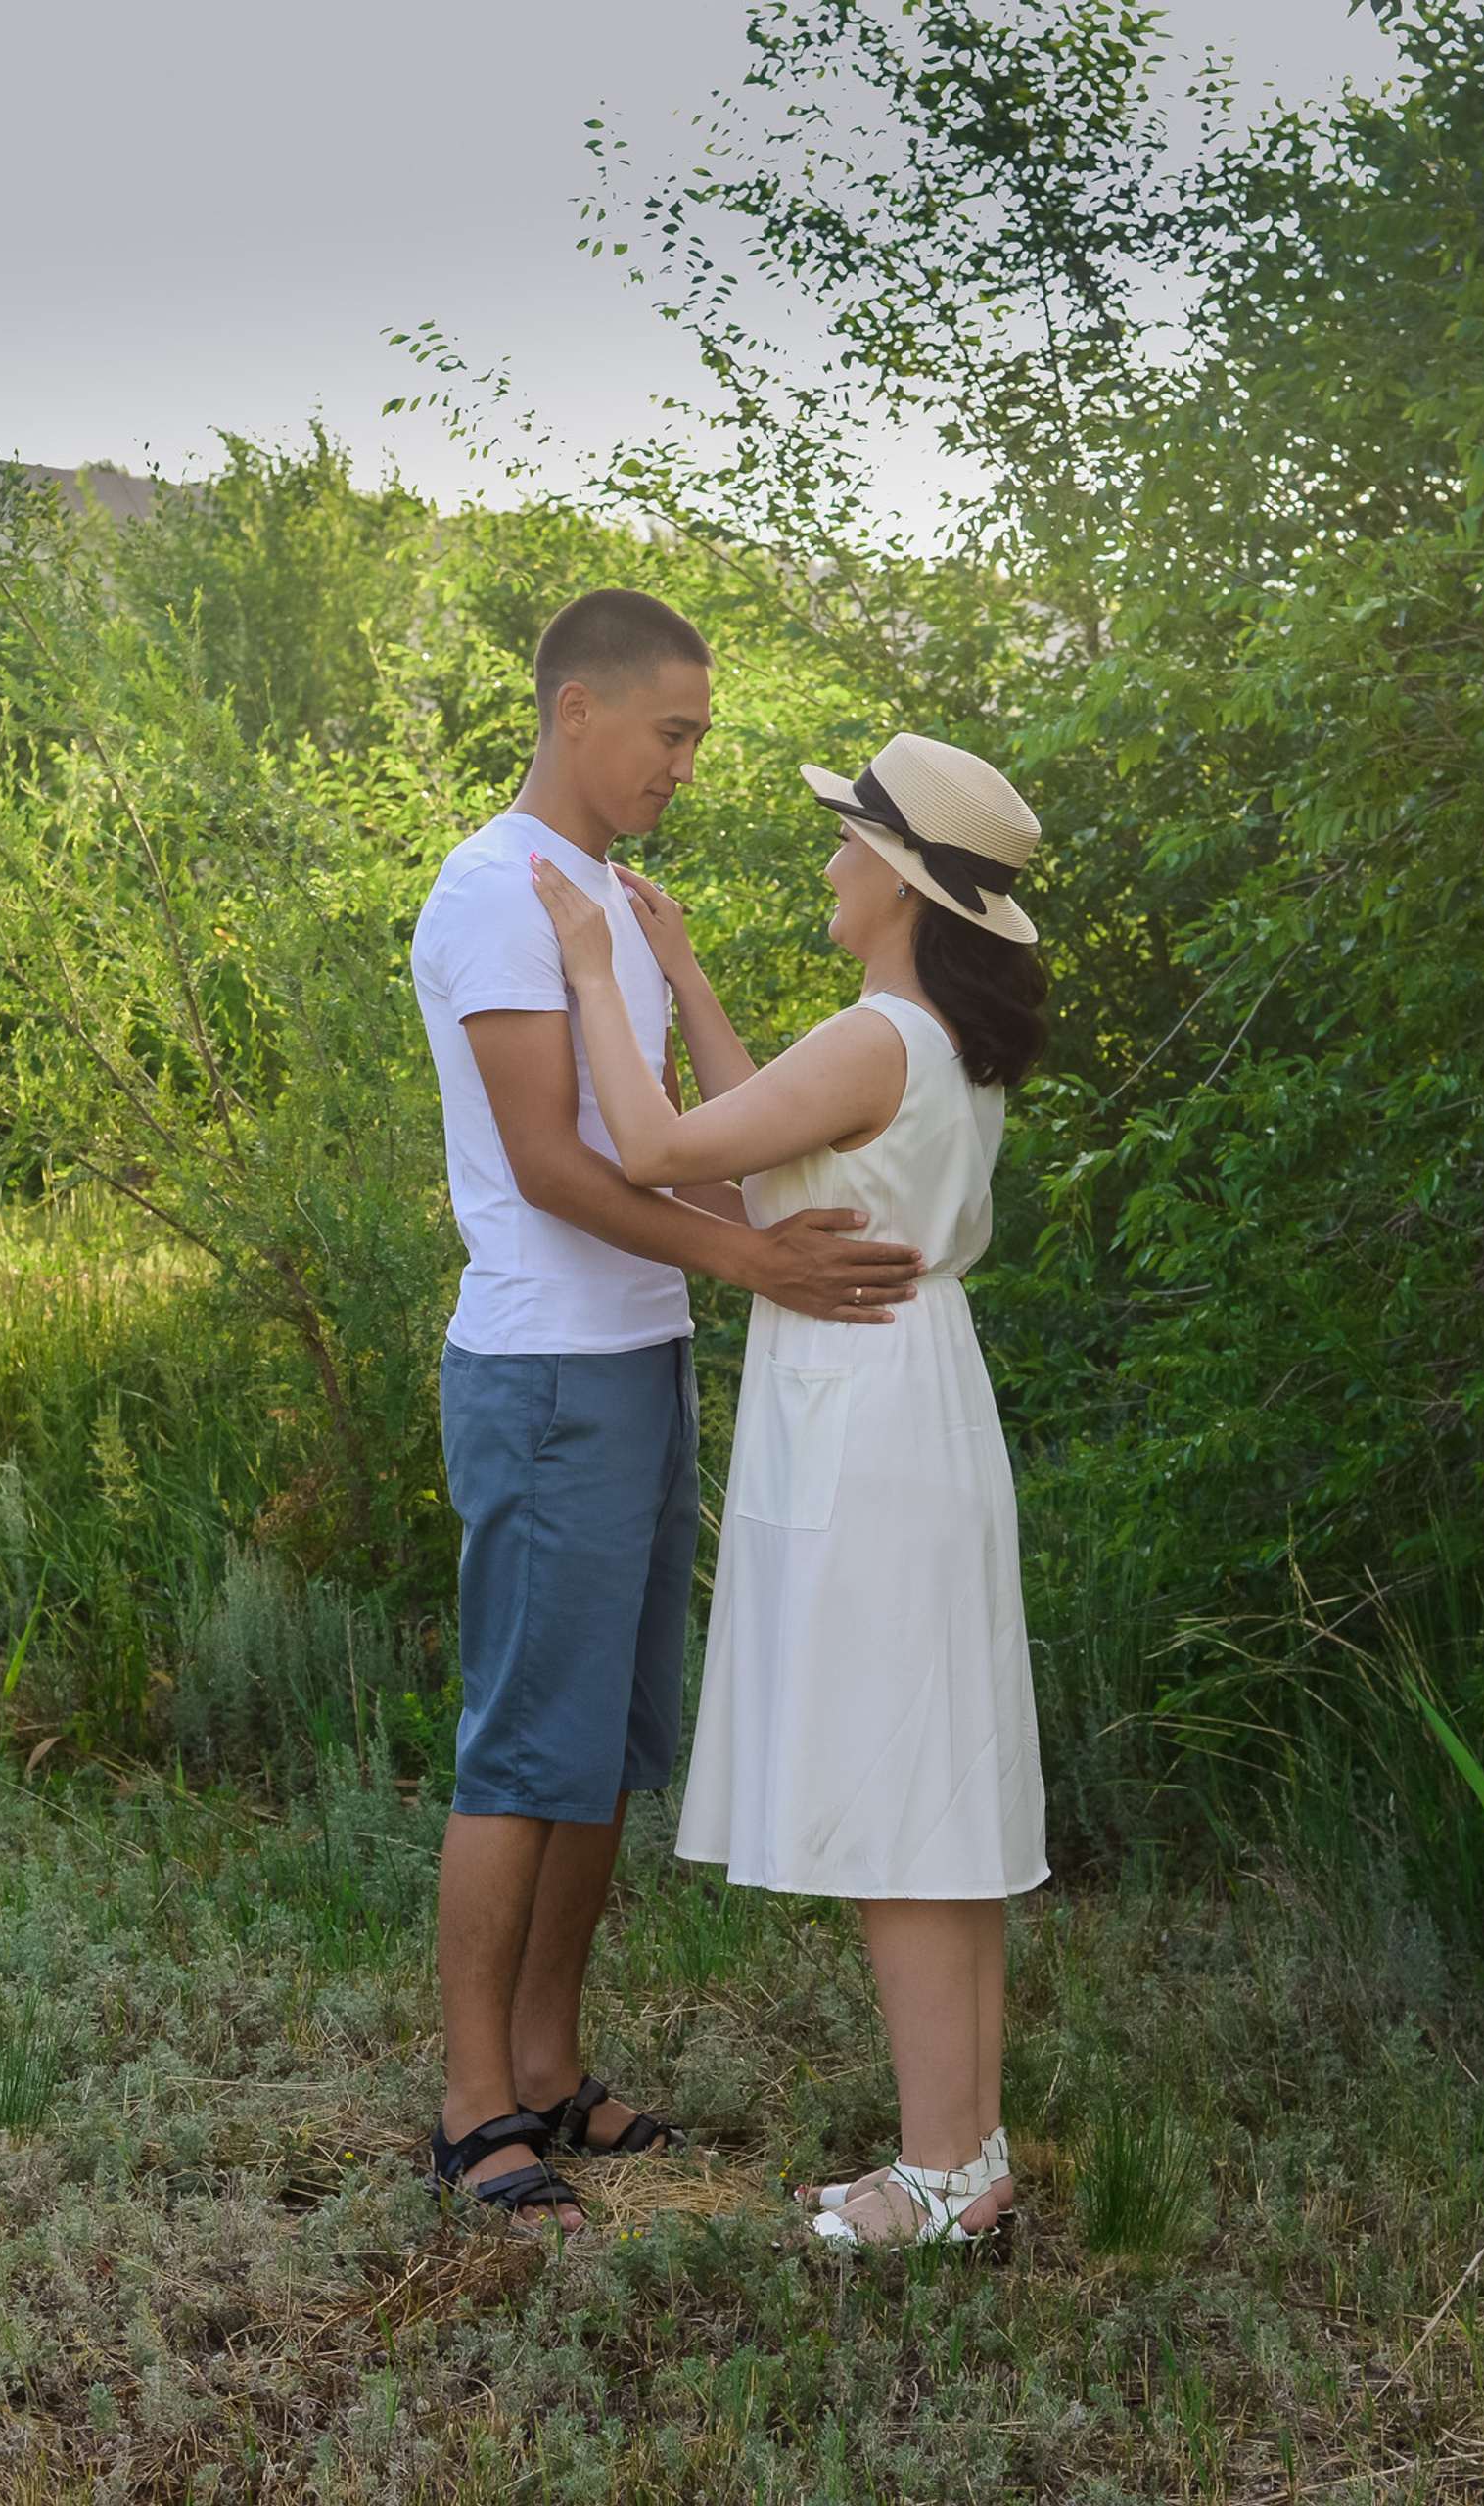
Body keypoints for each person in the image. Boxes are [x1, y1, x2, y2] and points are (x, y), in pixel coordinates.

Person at [411, 589, 929, 2234]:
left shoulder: (618, 907)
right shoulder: (496, 891)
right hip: (546, 1364)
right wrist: (753, 1265)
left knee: (604, 1748)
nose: (686, 766)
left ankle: (553, 2068)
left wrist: (725, 1265)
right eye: (673, 733)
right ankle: (473, 2107)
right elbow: (556, 1166)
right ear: (577, 711)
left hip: (637, 1359)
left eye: (697, 737)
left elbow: (676, 1131)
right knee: (520, 1745)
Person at [529, 729, 1051, 2251]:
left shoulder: (881, 1031)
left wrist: (585, 963)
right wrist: (682, 979)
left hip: (874, 1423)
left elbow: (659, 1147)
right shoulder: (912, 1040)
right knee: (932, 1806)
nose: (827, 863)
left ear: (893, 878)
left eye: (845, 844)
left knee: (906, 1809)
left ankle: (944, 2174)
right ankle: (961, 2161)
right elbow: (761, 1175)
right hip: (908, 1402)